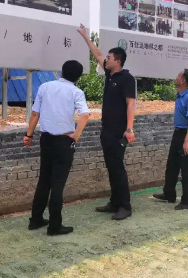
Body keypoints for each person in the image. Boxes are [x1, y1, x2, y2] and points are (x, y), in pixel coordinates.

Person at [24, 60, 91, 235]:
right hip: (64, 141)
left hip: (46, 139)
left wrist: (29, 135)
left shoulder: (45, 87)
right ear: (78, 76)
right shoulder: (76, 92)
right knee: (57, 184)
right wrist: (76, 135)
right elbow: (85, 115)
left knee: (44, 181)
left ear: (62, 71)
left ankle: (35, 219)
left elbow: (35, 113)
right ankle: (54, 226)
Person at [77, 24, 136, 220]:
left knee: (117, 167)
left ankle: (125, 206)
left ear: (117, 61)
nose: (106, 60)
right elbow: (97, 53)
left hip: (119, 131)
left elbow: (131, 104)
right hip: (107, 129)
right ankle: (114, 202)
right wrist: (85, 36)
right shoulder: (110, 74)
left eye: (109, 58)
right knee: (111, 167)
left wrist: (129, 129)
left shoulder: (127, 78)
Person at [152, 69, 188, 209]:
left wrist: (187, 141)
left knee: (186, 168)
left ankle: (187, 201)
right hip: (178, 132)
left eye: (178, 75)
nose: (176, 77)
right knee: (172, 165)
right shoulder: (180, 95)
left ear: (182, 80)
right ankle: (169, 194)